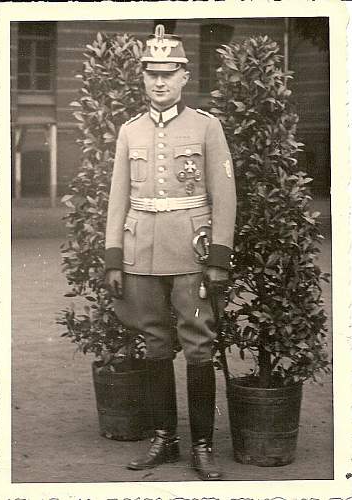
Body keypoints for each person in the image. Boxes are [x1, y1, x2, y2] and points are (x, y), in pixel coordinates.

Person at [105, 24, 236, 481]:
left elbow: (225, 194)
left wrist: (219, 256)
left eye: (169, 73)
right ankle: (165, 439)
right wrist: (113, 255)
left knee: (198, 347)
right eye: (151, 74)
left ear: (184, 77)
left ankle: (202, 446)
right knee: (156, 345)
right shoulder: (129, 131)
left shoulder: (206, 126)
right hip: (142, 251)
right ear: (142, 78)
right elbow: (117, 197)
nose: (159, 82)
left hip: (191, 251)